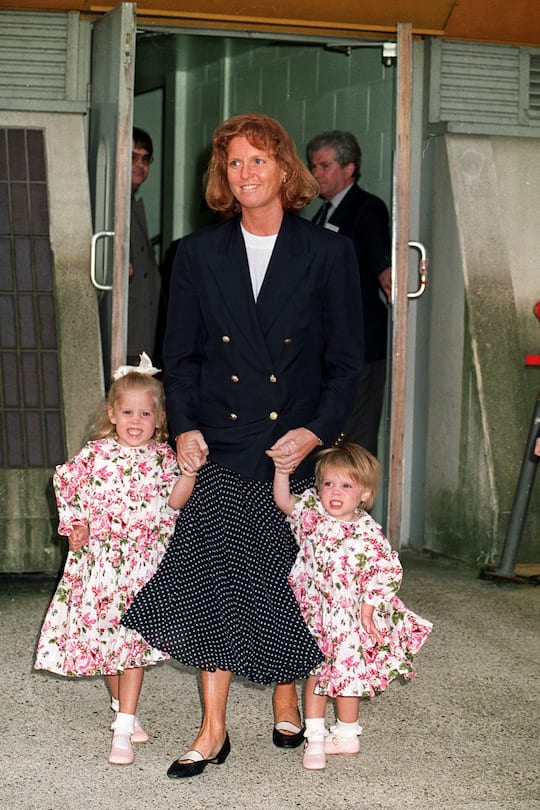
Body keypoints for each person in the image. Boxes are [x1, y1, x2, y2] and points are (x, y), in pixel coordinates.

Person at [121, 112, 365, 779]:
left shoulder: (329, 253)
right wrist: (188, 427)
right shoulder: (197, 254)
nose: (247, 173)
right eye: (234, 162)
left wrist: (315, 432)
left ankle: (287, 692)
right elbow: (183, 355)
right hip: (223, 443)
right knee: (216, 583)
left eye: (259, 160)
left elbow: (347, 362)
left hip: (294, 444)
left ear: (285, 170)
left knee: (286, 582)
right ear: (221, 176)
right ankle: (213, 728)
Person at [34, 353, 202, 765]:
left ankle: (123, 728)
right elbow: (65, 482)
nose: (136, 420)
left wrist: (189, 473)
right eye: (127, 411)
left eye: (145, 413)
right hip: (101, 567)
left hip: (143, 566)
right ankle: (122, 707)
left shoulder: (164, 460)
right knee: (110, 647)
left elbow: (176, 503)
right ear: (112, 413)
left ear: (159, 419)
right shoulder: (95, 456)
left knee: (131, 647)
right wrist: (75, 525)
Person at [270, 442, 432, 770]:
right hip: (314, 613)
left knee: (345, 678)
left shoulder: (368, 534)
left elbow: (388, 571)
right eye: (328, 483)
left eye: (346, 485)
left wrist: (369, 609)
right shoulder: (313, 514)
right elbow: (284, 502)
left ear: (364, 494)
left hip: (347, 619)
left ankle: (346, 735)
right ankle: (315, 737)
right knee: (315, 674)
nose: (335, 492)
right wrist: (281, 472)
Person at [307, 130, 392, 456]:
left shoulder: (365, 208)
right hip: (328, 342)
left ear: (349, 168)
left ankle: (357, 505)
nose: (316, 174)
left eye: (324, 166)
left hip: (361, 342)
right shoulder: (320, 213)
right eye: (314, 167)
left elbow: (382, 268)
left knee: (356, 433)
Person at [128, 127, 161, 364]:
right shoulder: (110, 203)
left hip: (141, 335)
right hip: (125, 335)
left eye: (145, 159)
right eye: (132, 157)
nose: (140, 164)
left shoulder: (132, 204)